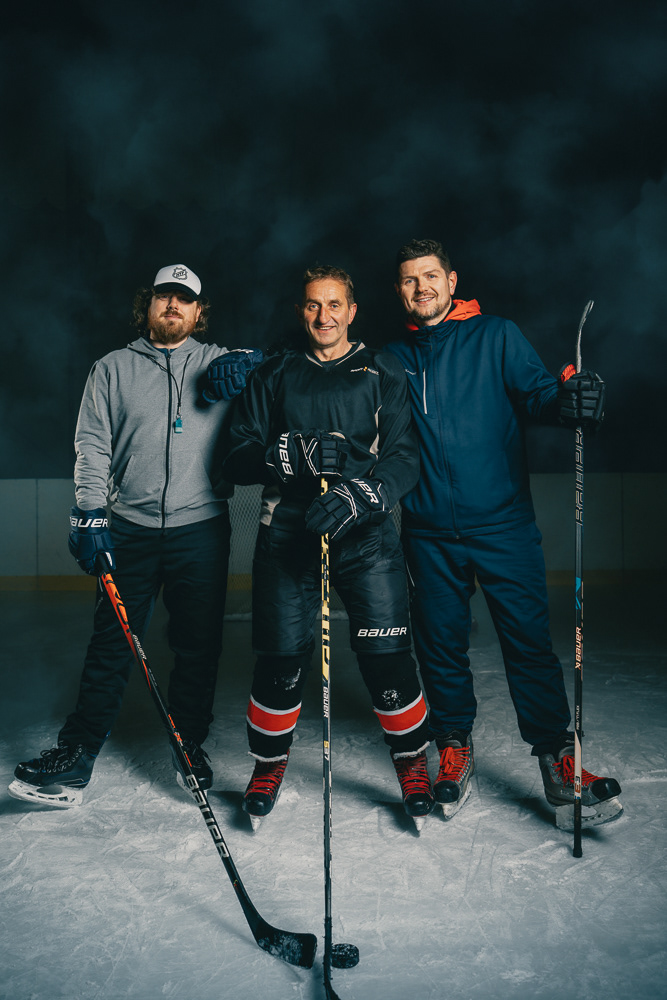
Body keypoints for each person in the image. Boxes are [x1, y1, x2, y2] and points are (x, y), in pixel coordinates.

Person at [386, 238, 622, 828]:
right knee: (439, 644)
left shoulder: (496, 335)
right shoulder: (391, 358)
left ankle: (558, 759)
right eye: (410, 280)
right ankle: (454, 747)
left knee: (528, 642)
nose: (421, 287)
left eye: (431, 276)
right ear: (399, 291)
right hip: (428, 532)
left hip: (503, 524)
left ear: (451, 280)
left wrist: (571, 400)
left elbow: (539, 395)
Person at [9, 264, 262, 807]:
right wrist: (90, 512)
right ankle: (77, 755)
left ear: (199, 311)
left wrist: (257, 359)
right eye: (164, 296)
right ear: (147, 304)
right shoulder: (111, 369)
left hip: (202, 529)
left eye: (184, 299)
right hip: (131, 529)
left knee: (198, 646)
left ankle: (188, 743)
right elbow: (92, 446)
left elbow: (292, 373)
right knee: (111, 643)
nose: (173, 305)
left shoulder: (218, 362)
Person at [222, 264, 433, 830]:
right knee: (280, 661)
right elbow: (236, 454)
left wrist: (366, 493)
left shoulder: (382, 369)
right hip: (287, 534)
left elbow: (404, 455)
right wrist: (283, 456)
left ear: (352, 311)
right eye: (314, 305)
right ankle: (268, 765)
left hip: (366, 537)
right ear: (301, 312)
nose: (324, 316)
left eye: (335, 304)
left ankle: (411, 761)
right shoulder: (275, 373)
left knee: (388, 657)